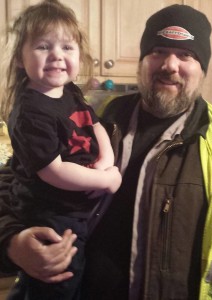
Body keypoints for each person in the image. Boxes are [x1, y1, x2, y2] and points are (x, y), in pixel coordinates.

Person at [1, 3, 212, 300]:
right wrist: (12, 243)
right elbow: (12, 181)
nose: (170, 65)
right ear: (142, 61)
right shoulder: (89, 116)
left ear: (202, 69)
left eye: (186, 55)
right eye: (158, 50)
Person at [0, 0, 121, 299]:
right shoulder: (29, 112)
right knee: (61, 279)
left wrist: (106, 160)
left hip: (76, 208)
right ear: (19, 58)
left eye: (67, 47)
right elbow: (54, 171)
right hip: (52, 215)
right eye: (43, 46)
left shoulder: (70, 92)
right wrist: (105, 180)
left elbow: (95, 126)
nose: (57, 55)